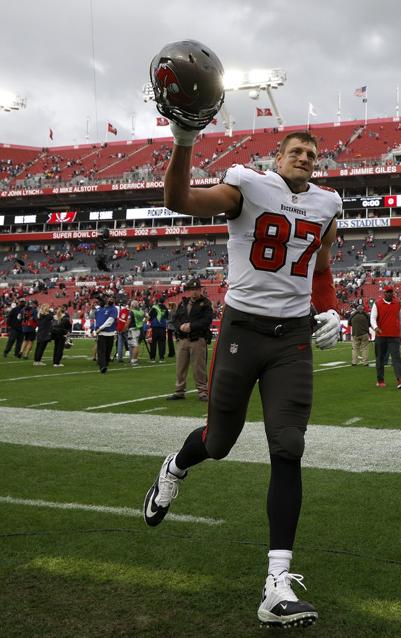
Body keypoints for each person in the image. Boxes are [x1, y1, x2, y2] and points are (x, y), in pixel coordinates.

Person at [141, 79, 341, 628]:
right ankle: (176, 466)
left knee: (289, 445)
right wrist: (185, 138)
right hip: (242, 328)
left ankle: (277, 583)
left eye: (312, 153)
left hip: (293, 339)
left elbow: (321, 268)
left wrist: (330, 308)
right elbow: (178, 201)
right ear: (276, 158)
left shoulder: (328, 204)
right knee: (220, 442)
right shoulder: (246, 187)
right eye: (295, 150)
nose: (304, 157)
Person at [166, 279, 213, 401]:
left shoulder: (206, 303)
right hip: (182, 339)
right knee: (180, 367)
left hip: (197, 339)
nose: (194, 292)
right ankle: (179, 391)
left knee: (199, 366)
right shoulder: (183, 303)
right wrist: (180, 327)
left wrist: (191, 326)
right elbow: (175, 319)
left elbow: (207, 321)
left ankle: (202, 391)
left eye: (196, 289)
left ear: (200, 290)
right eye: (192, 290)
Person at [371, 286, 401, 389]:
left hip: (394, 336)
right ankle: (380, 380)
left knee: (396, 358)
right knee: (380, 358)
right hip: (381, 335)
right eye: (388, 292)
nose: (390, 294)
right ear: (384, 293)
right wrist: (376, 327)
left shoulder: (398, 304)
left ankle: (400, 379)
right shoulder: (377, 304)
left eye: (391, 292)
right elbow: (372, 318)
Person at [92, 294, 118, 373]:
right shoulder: (99, 310)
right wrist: (95, 329)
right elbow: (96, 320)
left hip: (110, 333)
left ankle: (104, 363)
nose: (110, 300)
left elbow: (110, 321)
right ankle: (102, 366)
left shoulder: (113, 309)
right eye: (109, 298)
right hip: (101, 334)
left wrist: (100, 328)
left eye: (112, 299)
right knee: (101, 350)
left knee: (108, 350)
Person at [149, 297, 170, 362]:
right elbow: (167, 317)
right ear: (164, 301)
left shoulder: (154, 307)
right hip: (162, 327)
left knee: (153, 343)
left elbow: (150, 316)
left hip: (155, 327)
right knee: (162, 343)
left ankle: (152, 358)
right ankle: (161, 358)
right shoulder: (165, 308)